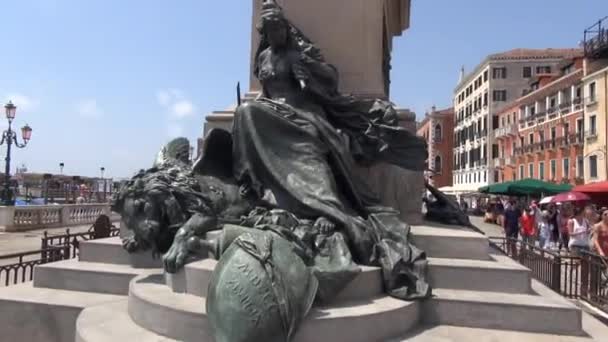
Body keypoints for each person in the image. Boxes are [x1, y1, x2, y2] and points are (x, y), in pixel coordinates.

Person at [232, 1, 430, 300]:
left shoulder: (298, 55)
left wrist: (308, 76)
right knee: (245, 112)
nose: (275, 34)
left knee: (310, 137)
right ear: (265, 34)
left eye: (278, 29)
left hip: (303, 112)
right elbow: (264, 93)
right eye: (269, 31)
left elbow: (329, 79)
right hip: (271, 112)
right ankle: (254, 185)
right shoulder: (263, 58)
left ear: (285, 30)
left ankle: (325, 206)